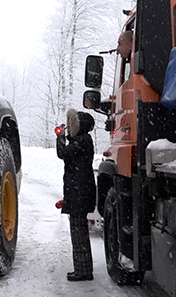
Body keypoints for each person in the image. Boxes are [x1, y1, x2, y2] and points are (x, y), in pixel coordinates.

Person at [56, 108, 97, 282]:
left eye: (73, 124)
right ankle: (83, 269)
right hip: (79, 192)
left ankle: (83, 271)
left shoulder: (82, 141)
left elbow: (62, 153)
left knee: (78, 233)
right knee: (79, 232)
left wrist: (60, 137)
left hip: (79, 194)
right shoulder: (83, 140)